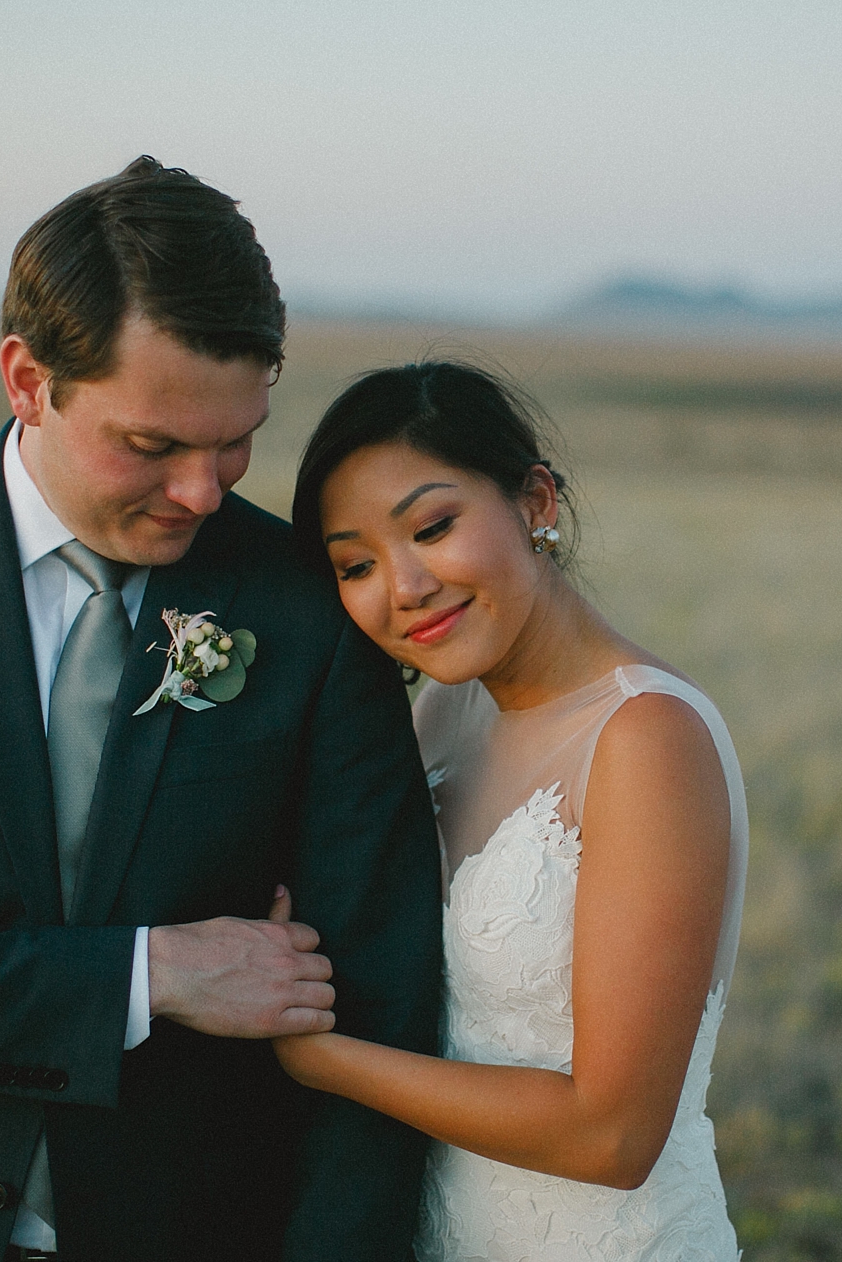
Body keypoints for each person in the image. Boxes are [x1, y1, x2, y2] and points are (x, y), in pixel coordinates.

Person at [0, 156, 443, 1261]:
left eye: (235, 439)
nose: (205, 492)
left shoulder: (305, 606)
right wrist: (150, 973)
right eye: (152, 445)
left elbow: (379, 1000)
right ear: (26, 379)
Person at [281, 362, 748, 1259]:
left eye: (433, 527)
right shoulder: (448, 710)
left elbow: (612, 1137)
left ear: (536, 500)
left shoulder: (646, 738)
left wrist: (324, 1059)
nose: (404, 585)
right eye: (356, 564)